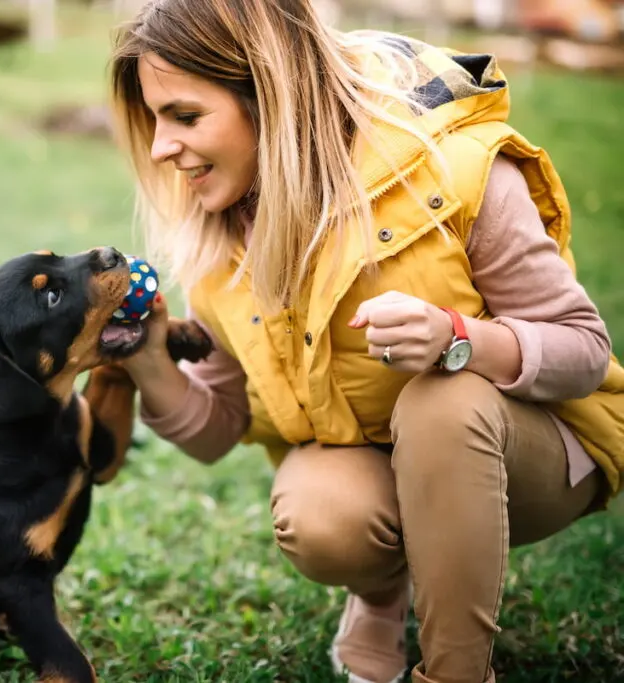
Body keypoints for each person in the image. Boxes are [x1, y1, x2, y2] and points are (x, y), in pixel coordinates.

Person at [105, 1, 624, 682]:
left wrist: (456, 339)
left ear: (271, 93)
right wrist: (148, 360)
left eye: (185, 116)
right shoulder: (221, 237)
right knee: (322, 517)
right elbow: (218, 426)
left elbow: (583, 350)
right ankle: (383, 591)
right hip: (378, 453)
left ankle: (454, 672)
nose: (160, 149)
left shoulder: (455, 173)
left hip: (539, 449)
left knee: (441, 404)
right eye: (154, 120)